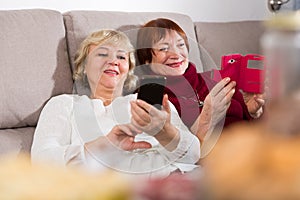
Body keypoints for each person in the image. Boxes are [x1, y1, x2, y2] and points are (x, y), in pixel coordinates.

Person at [31, 29, 200, 177]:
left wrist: (165, 133)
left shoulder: (148, 104)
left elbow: (192, 155)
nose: (114, 61)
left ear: (129, 69)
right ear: (83, 65)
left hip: (179, 181)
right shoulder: (64, 104)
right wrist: (104, 146)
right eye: (102, 54)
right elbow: (40, 161)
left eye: (121, 56)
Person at [136, 18, 265, 148]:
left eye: (180, 45)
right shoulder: (151, 97)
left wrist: (252, 112)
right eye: (164, 48)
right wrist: (207, 118)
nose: (176, 54)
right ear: (147, 59)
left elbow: (254, 128)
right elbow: (174, 151)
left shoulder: (213, 78)